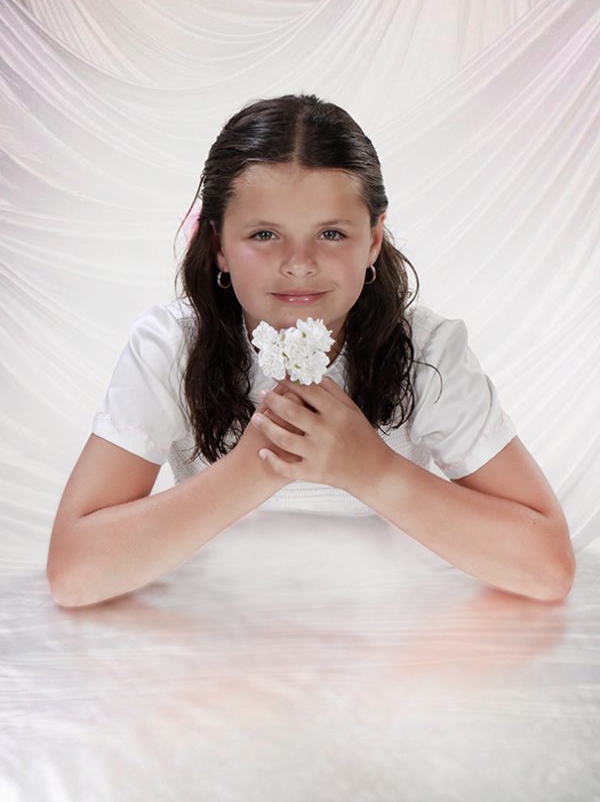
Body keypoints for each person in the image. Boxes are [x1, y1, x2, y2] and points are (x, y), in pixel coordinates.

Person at [46, 93, 575, 609]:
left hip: (389, 627)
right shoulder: (170, 346)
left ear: (372, 241)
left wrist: (369, 469)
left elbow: (547, 569)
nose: (299, 263)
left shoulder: (427, 350)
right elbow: (74, 576)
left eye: (330, 233)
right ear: (218, 246)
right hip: (221, 626)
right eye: (264, 233)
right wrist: (259, 464)